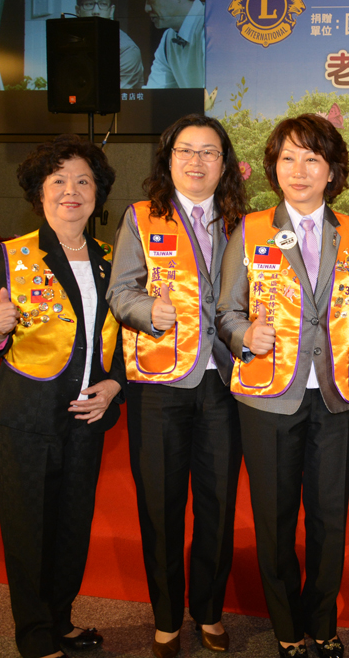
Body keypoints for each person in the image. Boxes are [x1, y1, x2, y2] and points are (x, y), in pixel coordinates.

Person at [216, 114, 349, 658]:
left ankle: (323, 622)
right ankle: (287, 627)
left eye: (312, 159)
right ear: (273, 168)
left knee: (329, 518)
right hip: (268, 396)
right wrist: (245, 334)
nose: (299, 170)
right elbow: (225, 311)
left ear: (332, 171)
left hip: (338, 396)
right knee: (275, 518)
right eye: (288, 158)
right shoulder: (251, 229)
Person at [0, 135, 123, 658]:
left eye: (83, 181)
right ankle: (35, 636)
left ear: (98, 193)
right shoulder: (12, 255)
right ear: (40, 192)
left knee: (72, 527)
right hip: (26, 417)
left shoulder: (111, 259)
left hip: (87, 416)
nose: (71, 191)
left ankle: (60, 620)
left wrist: (115, 385)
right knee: (29, 530)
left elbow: (124, 341)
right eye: (58, 180)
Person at [106, 114, 248, 656]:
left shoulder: (243, 222)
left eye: (209, 151)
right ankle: (166, 618)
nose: (196, 161)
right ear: (168, 160)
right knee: (160, 506)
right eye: (186, 150)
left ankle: (208, 611)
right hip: (159, 383)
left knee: (218, 505)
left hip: (226, 384)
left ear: (224, 163)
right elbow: (121, 291)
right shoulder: (142, 218)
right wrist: (149, 311)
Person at [75, 0, 144, 89]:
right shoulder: (72, 43)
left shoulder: (127, 50)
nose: (96, 11)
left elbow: (111, 96)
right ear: (78, 11)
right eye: (89, 4)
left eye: (102, 4)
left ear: (111, 10)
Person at [142, 0, 204, 89]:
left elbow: (218, 95)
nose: (146, 8)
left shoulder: (212, 28)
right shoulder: (168, 37)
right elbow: (155, 92)